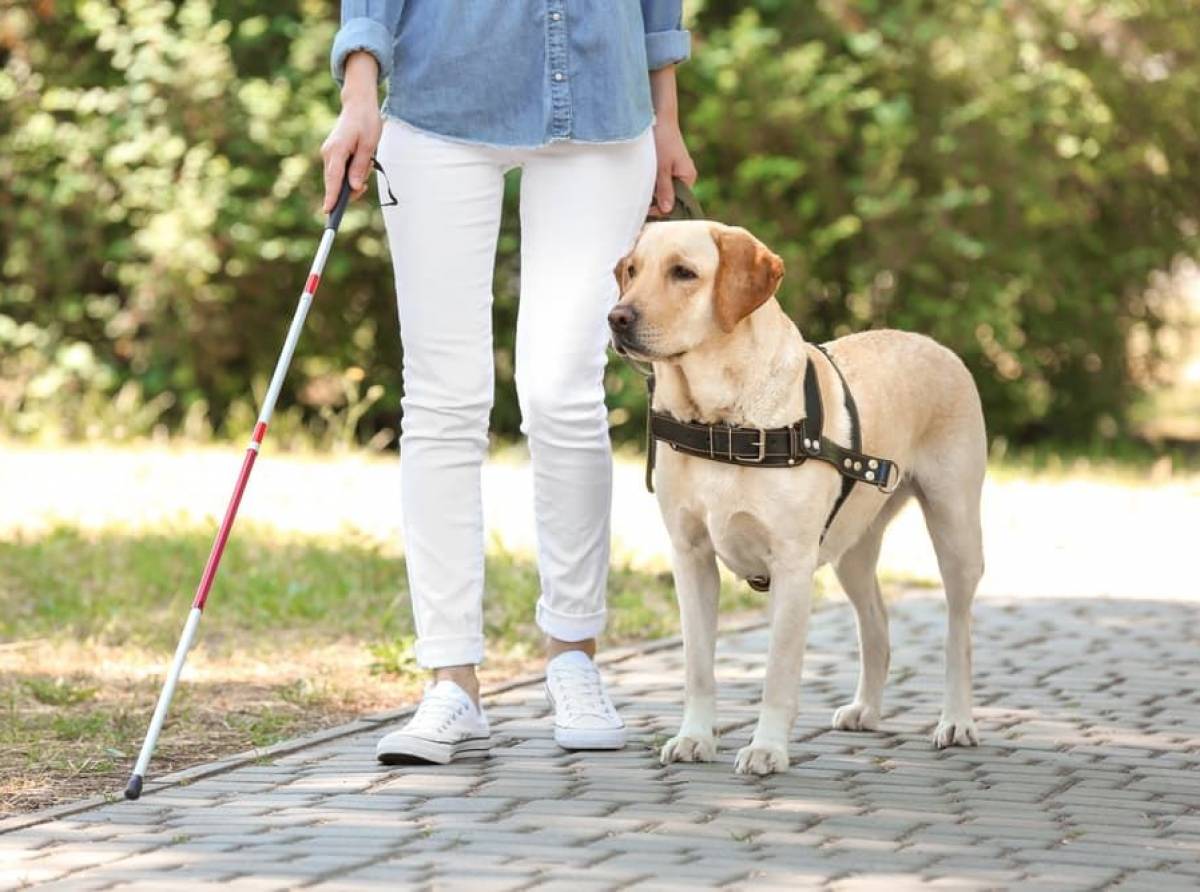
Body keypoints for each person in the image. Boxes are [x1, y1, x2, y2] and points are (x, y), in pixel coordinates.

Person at [323, 1, 696, 765]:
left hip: (604, 106)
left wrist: (666, 113)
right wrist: (358, 89)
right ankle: (449, 679)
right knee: (442, 398)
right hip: (438, 102)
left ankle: (574, 657)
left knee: (564, 389)